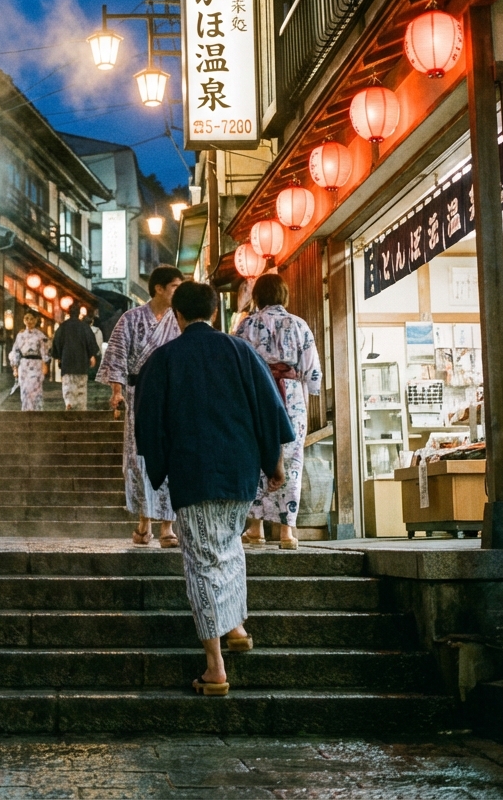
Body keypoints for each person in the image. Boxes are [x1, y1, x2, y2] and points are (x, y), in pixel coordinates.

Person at [135, 280, 294, 695]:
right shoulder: (241, 352)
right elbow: (269, 408)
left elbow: (148, 423)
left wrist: (159, 467)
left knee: (202, 562)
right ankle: (236, 626)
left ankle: (215, 666)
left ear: (177, 315)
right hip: (239, 472)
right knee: (229, 548)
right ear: (215, 313)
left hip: (194, 471)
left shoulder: (165, 358)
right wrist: (272, 462)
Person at [234, 273, 323, 550]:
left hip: (257, 396)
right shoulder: (299, 325)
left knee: (256, 457)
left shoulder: (246, 325)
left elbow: (236, 366)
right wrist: (311, 388)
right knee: (292, 458)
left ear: (257, 296)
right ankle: (287, 532)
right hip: (292, 395)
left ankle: (256, 528)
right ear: (283, 295)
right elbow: (312, 370)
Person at [96, 265, 184, 546]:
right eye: (174, 287)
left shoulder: (180, 319)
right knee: (139, 458)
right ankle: (144, 522)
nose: (178, 292)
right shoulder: (131, 318)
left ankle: (168, 527)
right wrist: (116, 390)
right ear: (159, 288)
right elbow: (118, 354)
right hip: (139, 393)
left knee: (171, 456)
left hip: (170, 396)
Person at [50, 309, 101, 410]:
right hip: (81, 362)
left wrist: (59, 357)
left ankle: (69, 402)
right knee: (80, 388)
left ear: (69, 313)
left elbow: (56, 343)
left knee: (68, 385)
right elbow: (91, 343)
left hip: (67, 361)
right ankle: (80, 409)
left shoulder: (62, 327)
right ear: (79, 315)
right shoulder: (84, 327)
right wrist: (92, 355)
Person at [8, 311, 50, 411]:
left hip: (36, 364)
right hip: (24, 364)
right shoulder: (20, 335)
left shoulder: (40, 335)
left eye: (32, 319)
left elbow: (44, 350)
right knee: (25, 390)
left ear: (36, 320)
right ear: (24, 320)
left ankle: (36, 412)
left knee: (35, 389)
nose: (29, 321)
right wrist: (15, 367)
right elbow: (16, 351)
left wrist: (45, 363)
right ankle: (26, 412)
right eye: (27, 318)